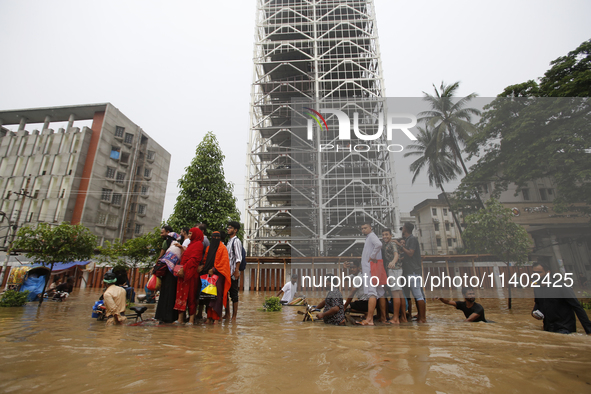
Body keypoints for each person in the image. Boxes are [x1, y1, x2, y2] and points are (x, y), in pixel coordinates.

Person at [531, 261, 591, 335]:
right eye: (534, 272)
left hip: (565, 329)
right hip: (548, 328)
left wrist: (589, 330)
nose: (536, 275)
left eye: (539, 272)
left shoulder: (562, 287)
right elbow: (538, 304)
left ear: (548, 272)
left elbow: (577, 307)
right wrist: (534, 313)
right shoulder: (537, 288)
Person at [394, 222, 426, 323]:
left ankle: (423, 318)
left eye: (403, 227)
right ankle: (419, 315)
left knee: (418, 294)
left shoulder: (412, 239)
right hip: (409, 271)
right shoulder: (408, 240)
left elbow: (411, 253)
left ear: (405, 229)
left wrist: (399, 245)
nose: (402, 229)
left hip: (413, 271)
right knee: (415, 294)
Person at [174, 227, 204, 325]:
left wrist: (184, 268)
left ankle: (191, 319)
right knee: (181, 295)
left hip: (191, 273)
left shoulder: (199, 245)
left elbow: (194, 259)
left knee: (191, 296)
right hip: (183, 273)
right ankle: (180, 319)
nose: (189, 235)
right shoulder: (190, 244)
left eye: (191, 233)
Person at [357, 223, 384, 326]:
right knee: (379, 292)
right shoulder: (369, 237)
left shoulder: (372, 236)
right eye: (362, 228)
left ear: (370, 228)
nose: (363, 230)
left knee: (371, 292)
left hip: (370, 268)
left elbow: (379, 244)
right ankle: (382, 317)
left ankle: (369, 319)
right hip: (371, 268)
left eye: (365, 228)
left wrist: (372, 256)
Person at [202, 232, 231, 324]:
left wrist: (214, 269)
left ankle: (216, 318)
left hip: (218, 276)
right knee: (208, 296)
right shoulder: (208, 248)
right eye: (214, 237)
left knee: (217, 297)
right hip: (208, 276)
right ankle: (209, 317)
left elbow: (224, 263)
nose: (215, 239)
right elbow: (205, 260)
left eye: (217, 237)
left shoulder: (223, 248)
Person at [154, 228, 182, 323]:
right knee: (168, 295)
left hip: (170, 276)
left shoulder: (174, 248)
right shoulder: (176, 247)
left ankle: (166, 316)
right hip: (171, 276)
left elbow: (165, 260)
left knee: (168, 296)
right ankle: (167, 316)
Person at [382, 228, 406, 324]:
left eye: (387, 234)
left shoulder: (392, 244)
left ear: (391, 235)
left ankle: (395, 318)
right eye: (383, 235)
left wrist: (393, 262)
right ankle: (403, 317)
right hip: (397, 269)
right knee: (399, 293)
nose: (385, 236)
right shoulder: (388, 244)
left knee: (395, 293)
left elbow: (396, 254)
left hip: (394, 269)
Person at [225, 221, 243, 322]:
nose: (228, 229)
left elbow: (238, 257)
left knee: (234, 295)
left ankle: (234, 316)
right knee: (226, 294)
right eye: (228, 227)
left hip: (232, 273)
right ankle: (227, 314)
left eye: (230, 227)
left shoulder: (236, 241)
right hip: (227, 272)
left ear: (235, 230)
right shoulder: (229, 241)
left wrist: (236, 270)